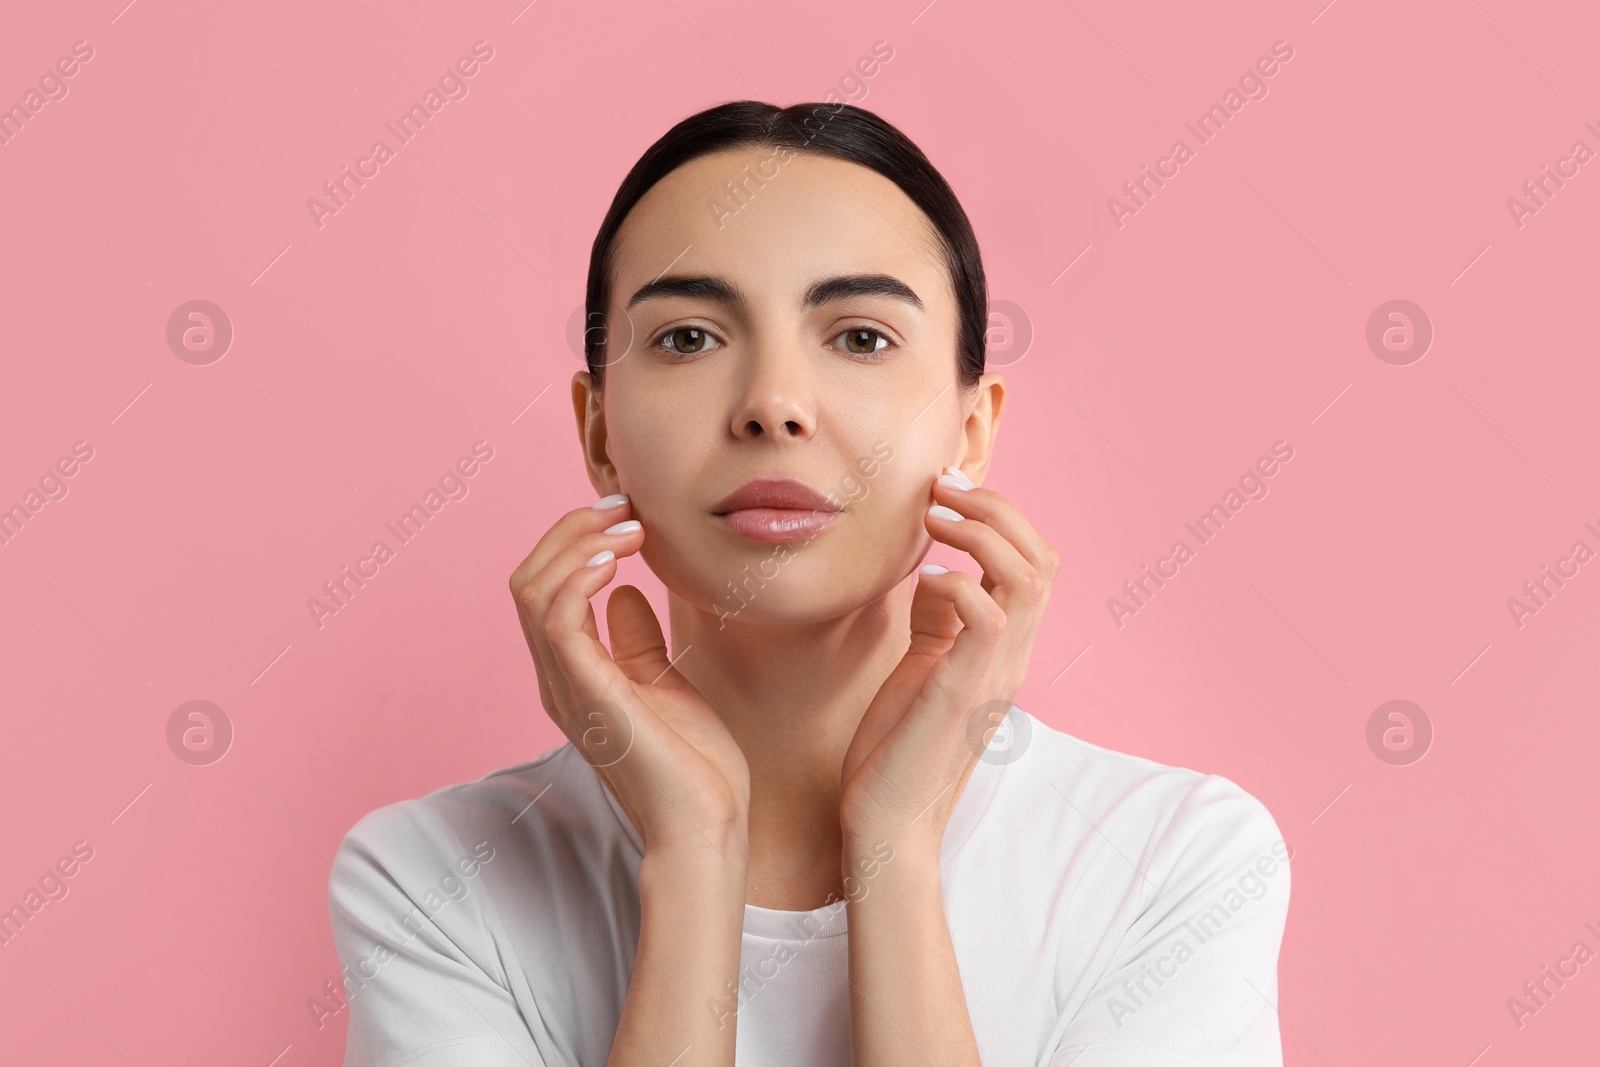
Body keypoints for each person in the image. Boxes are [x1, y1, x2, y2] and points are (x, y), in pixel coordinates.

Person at [327, 100, 1291, 1067]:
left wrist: (895, 852)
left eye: (862, 338)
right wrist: (696, 854)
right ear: (598, 434)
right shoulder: (434, 880)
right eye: (689, 338)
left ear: (972, 430)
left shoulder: (1172, 864)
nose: (773, 405)